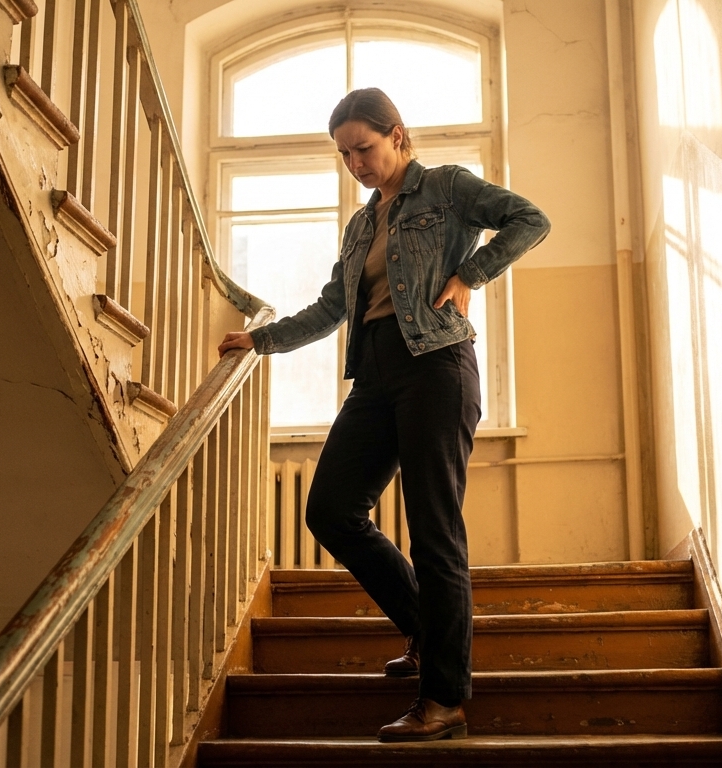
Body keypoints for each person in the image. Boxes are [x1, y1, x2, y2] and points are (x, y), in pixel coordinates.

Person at [217, 87, 550, 742]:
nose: (356, 164)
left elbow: (530, 219)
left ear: (398, 135)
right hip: (376, 377)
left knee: (433, 530)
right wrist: (261, 339)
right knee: (330, 508)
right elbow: (330, 307)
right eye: (344, 155)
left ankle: (445, 700)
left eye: (363, 149)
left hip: (437, 367)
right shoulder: (360, 226)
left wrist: (471, 275)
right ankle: (427, 631)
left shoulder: (447, 188)